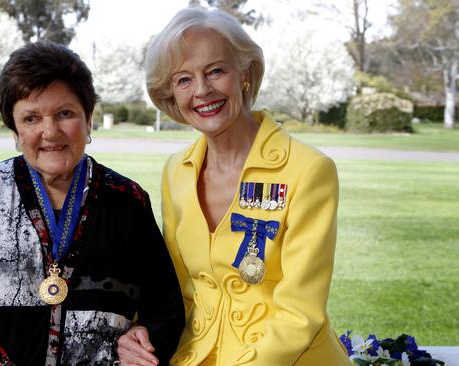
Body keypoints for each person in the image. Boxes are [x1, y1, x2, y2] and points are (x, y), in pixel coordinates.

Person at [117, 7, 351, 366]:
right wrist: (142, 329)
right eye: (183, 79)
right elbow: (175, 290)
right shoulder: (175, 172)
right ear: (171, 95)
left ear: (245, 73)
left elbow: (299, 315)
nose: (202, 91)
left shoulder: (309, 169)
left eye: (216, 70)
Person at [0, 41, 184, 366]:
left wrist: (144, 338)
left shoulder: (127, 200)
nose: (50, 132)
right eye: (31, 118)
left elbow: (165, 310)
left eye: (65, 113)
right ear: (14, 129)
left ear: (89, 120)